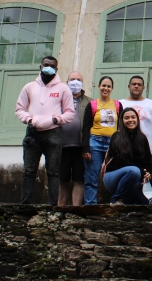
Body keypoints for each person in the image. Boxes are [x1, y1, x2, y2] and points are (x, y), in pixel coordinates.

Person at [15, 56, 75, 205]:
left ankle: (52, 206)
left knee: (53, 172)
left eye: (52, 66)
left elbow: (69, 113)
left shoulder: (63, 88)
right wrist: (29, 119)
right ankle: (25, 204)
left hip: (54, 133)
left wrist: (56, 119)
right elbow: (20, 108)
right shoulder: (29, 87)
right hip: (33, 132)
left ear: (56, 69)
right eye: (46, 65)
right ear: (40, 66)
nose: (49, 67)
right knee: (29, 171)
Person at [102, 108, 152, 205]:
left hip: (135, 178)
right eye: (127, 118)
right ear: (122, 121)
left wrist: (147, 173)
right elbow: (120, 161)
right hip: (113, 177)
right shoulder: (117, 136)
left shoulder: (142, 138)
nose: (130, 120)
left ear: (137, 120)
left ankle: (127, 199)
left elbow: (148, 160)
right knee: (133, 171)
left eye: (133, 117)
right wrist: (141, 172)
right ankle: (116, 199)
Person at [82, 76, 122, 205]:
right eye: (103, 86)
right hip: (95, 143)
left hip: (113, 144)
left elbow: (121, 127)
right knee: (91, 177)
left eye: (108, 86)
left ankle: (115, 202)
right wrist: (85, 148)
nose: (106, 88)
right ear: (99, 87)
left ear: (112, 88)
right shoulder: (92, 105)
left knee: (115, 174)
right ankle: (90, 205)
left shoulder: (117, 105)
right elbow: (86, 127)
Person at [58, 71, 91, 206]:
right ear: (67, 82)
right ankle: (60, 210)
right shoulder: (58, 99)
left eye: (78, 79)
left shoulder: (90, 101)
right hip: (61, 146)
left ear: (82, 83)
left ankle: (76, 209)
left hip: (80, 147)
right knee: (62, 180)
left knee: (79, 179)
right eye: (72, 79)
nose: (75, 82)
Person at [120, 76, 152, 156]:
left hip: (146, 150)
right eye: (134, 84)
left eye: (139, 84)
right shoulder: (120, 104)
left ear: (143, 87)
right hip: (124, 149)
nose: (136, 86)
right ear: (129, 86)